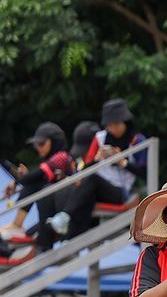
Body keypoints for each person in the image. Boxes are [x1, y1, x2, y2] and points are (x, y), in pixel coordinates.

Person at [39, 98, 147, 251]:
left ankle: (65, 220)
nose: (112, 128)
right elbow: (86, 168)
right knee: (64, 188)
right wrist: (98, 158)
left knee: (92, 180)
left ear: (126, 122)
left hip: (119, 191)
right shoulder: (100, 137)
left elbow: (144, 172)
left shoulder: (138, 140)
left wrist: (123, 162)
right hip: (94, 187)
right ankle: (63, 236)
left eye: (116, 124)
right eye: (109, 125)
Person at [8, 123, 74, 254]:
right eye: (36, 144)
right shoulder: (51, 161)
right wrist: (22, 179)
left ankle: (16, 224)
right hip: (51, 215)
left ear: (54, 142)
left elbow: (33, 178)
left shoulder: (61, 156)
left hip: (64, 211)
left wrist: (17, 181)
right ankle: (16, 231)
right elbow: (33, 177)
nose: (38, 147)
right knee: (25, 237)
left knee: (35, 184)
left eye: (42, 143)